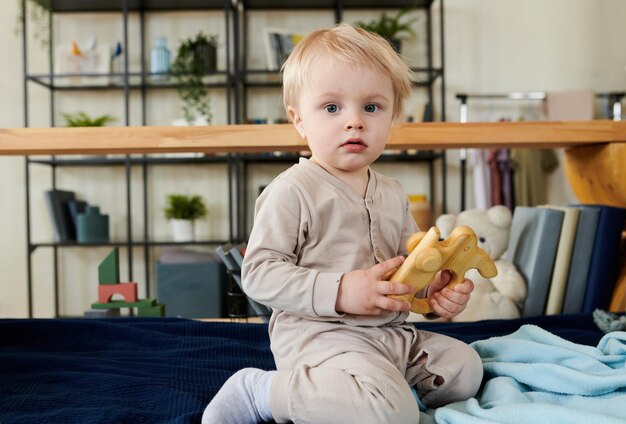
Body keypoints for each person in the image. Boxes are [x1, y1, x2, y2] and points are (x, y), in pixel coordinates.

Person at [203, 23, 482, 424]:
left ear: (393, 116)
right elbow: (259, 275)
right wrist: (341, 291)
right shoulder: (292, 192)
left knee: (465, 370)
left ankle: (367, 389)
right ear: (299, 120)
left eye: (372, 107)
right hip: (323, 338)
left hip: (392, 337)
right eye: (332, 108)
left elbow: (405, 274)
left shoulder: (392, 192)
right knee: (391, 413)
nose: (355, 121)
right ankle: (263, 392)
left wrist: (433, 293)